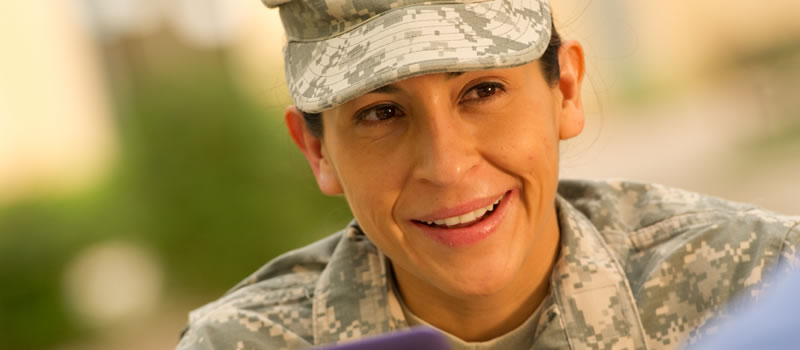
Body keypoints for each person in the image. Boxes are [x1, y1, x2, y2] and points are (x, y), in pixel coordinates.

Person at [176, 0, 800, 349]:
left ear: (567, 91)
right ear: (316, 151)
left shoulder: (759, 287)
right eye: (381, 112)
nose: (446, 167)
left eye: (483, 90)